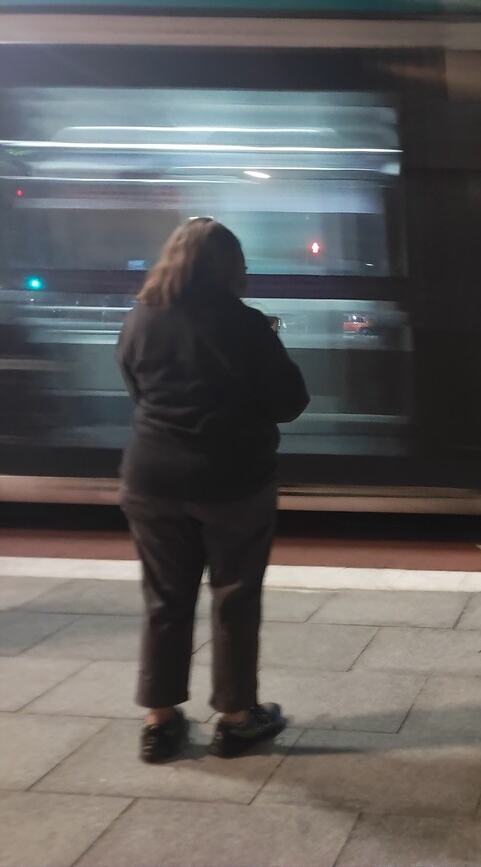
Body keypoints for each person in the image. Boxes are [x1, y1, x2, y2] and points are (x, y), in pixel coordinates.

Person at [117, 217, 309, 763]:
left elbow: (135, 388)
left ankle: (159, 722)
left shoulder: (140, 320)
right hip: (233, 484)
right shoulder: (245, 325)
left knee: (164, 601)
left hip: (151, 480)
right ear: (230, 267)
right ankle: (237, 719)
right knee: (234, 599)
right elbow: (289, 403)